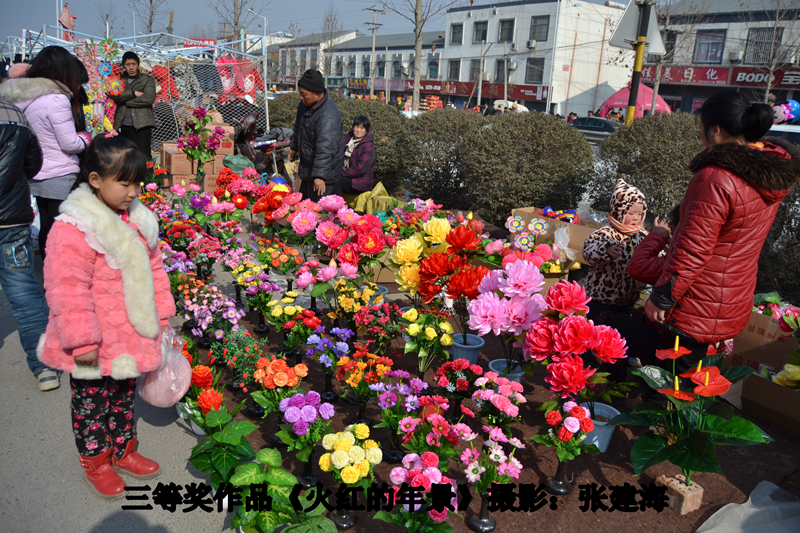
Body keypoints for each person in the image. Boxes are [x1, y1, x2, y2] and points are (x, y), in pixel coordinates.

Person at [39, 135, 176, 499]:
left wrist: (162, 316)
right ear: (96, 180)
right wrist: (81, 339)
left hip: (128, 334)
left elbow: (155, 270)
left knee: (121, 395)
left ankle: (123, 450)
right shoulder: (74, 227)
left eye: (136, 183)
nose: (132, 192)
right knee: (90, 402)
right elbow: (65, 287)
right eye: (123, 182)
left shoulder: (138, 219)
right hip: (94, 339)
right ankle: (96, 461)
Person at [645, 89, 800, 372]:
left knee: (673, 392)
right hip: (732, 296)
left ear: (715, 130)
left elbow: (693, 249)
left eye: (701, 127)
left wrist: (661, 297)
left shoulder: (716, 177)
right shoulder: (767, 173)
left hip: (697, 303)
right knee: (700, 380)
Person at [0, 46, 91, 259]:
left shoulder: (21, 95)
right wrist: (87, 138)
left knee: (47, 227)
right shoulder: (57, 99)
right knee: (63, 229)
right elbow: (70, 143)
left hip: (36, 172)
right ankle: (59, 278)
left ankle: (48, 274)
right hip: (59, 173)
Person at [0, 97, 61, 391]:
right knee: (23, 291)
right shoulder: (14, 113)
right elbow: (34, 162)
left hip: (12, 216)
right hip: (11, 218)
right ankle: (45, 366)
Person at [582, 179, 648, 323]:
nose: (636, 217)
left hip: (629, 299)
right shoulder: (606, 233)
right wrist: (606, 250)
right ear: (619, 211)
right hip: (602, 299)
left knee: (619, 333)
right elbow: (588, 251)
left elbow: (653, 252)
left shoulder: (642, 235)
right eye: (631, 213)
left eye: (640, 213)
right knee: (597, 331)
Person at [288, 69, 344, 201]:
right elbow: (299, 127)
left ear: (317, 94)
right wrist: (294, 146)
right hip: (308, 169)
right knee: (304, 210)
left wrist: (320, 176)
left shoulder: (328, 116)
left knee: (318, 215)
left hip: (324, 175)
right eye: (300, 93)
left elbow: (326, 148)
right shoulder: (305, 105)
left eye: (304, 94)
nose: (301, 98)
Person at [109, 51, 156, 160]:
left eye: (133, 64)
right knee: (127, 156)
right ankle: (130, 177)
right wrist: (132, 93)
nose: (131, 67)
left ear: (138, 65)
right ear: (124, 66)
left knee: (144, 155)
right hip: (124, 124)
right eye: (128, 64)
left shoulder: (147, 79)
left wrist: (125, 101)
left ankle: (147, 177)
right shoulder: (118, 80)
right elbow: (114, 96)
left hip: (142, 124)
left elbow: (148, 99)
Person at [340, 115, 376, 194]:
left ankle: (337, 205)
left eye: (362, 128)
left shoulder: (368, 146)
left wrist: (342, 174)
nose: (358, 130)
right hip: (346, 175)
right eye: (357, 127)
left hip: (359, 182)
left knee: (336, 183)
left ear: (366, 130)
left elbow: (360, 168)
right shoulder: (348, 139)